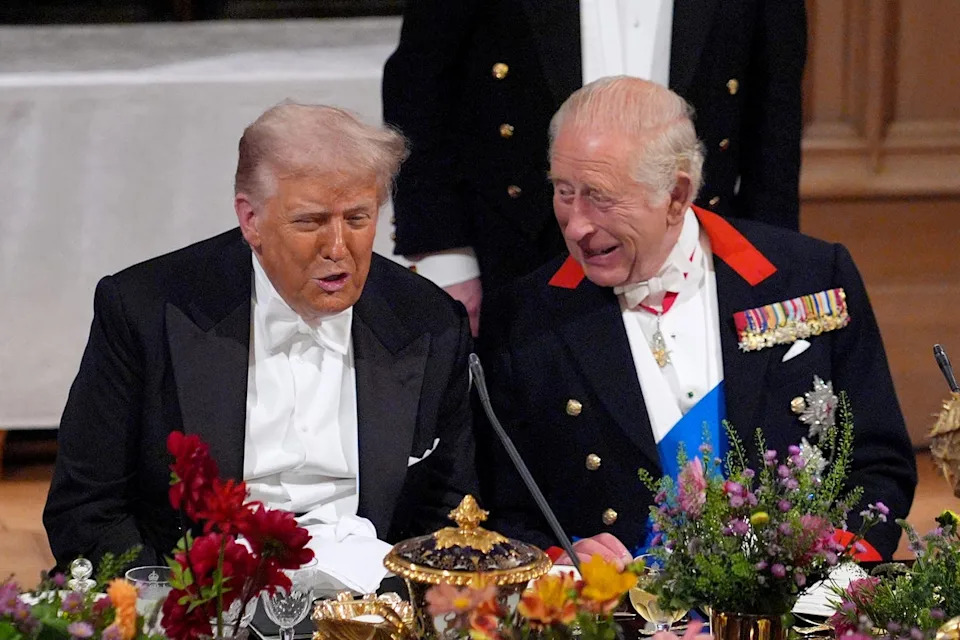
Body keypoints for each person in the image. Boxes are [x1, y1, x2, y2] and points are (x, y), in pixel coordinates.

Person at [476, 77, 916, 562]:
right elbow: (503, 513)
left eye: (600, 197)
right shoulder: (522, 319)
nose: (576, 224)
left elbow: (879, 464)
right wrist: (563, 562)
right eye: (563, 191)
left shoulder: (809, 276)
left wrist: (826, 571)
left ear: (677, 195)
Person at [44, 104, 477, 574]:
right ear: (250, 219)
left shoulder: (429, 322)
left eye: (357, 218)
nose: (337, 248)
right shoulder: (144, 311)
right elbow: (86, 508)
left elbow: (449, 510)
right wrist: (169, 604)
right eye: (310, 221)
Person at [382, 0, 807, 335]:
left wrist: (764, 267)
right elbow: (420, 82)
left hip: (695, 248)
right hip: (518, 255)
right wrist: (446, 258)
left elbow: (775, 111)